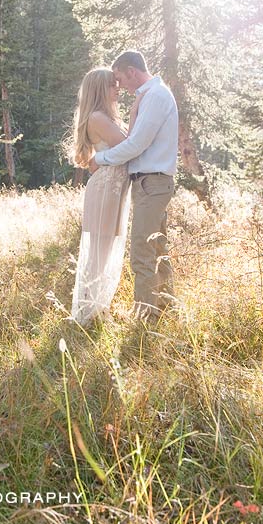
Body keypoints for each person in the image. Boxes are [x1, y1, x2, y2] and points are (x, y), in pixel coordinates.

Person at [88, 50, 178, 321]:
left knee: (142, 250)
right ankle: (166, 310)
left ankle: (145, 317)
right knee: (157, 248)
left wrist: (100, 159)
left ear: (131, 72)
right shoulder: (149, 97)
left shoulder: (156, 96)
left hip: (153, 182)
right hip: (148, 183)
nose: (120, 85)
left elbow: (137, 144)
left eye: (120, 78)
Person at [69, 67, 144, 326]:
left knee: (104, 252)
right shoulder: (98, 117)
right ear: (101, 89)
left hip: (112, 190)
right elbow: (128, 145)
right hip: (105, 190)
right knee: (99, 255)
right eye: (113, 85)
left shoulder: (103, 116)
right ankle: (87, 314)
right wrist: (135, 113)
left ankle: (97, 310)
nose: (118, 88)